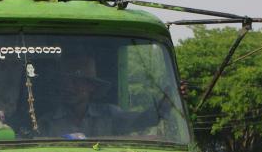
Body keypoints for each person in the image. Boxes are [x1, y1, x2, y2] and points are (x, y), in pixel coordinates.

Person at [41, 54, 170, 138]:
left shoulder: (109, 114)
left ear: (91, 86)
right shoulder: (48, 122)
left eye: (76, 82)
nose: (69, 88)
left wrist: (170, 98)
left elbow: (143, 119)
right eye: (66, 83)